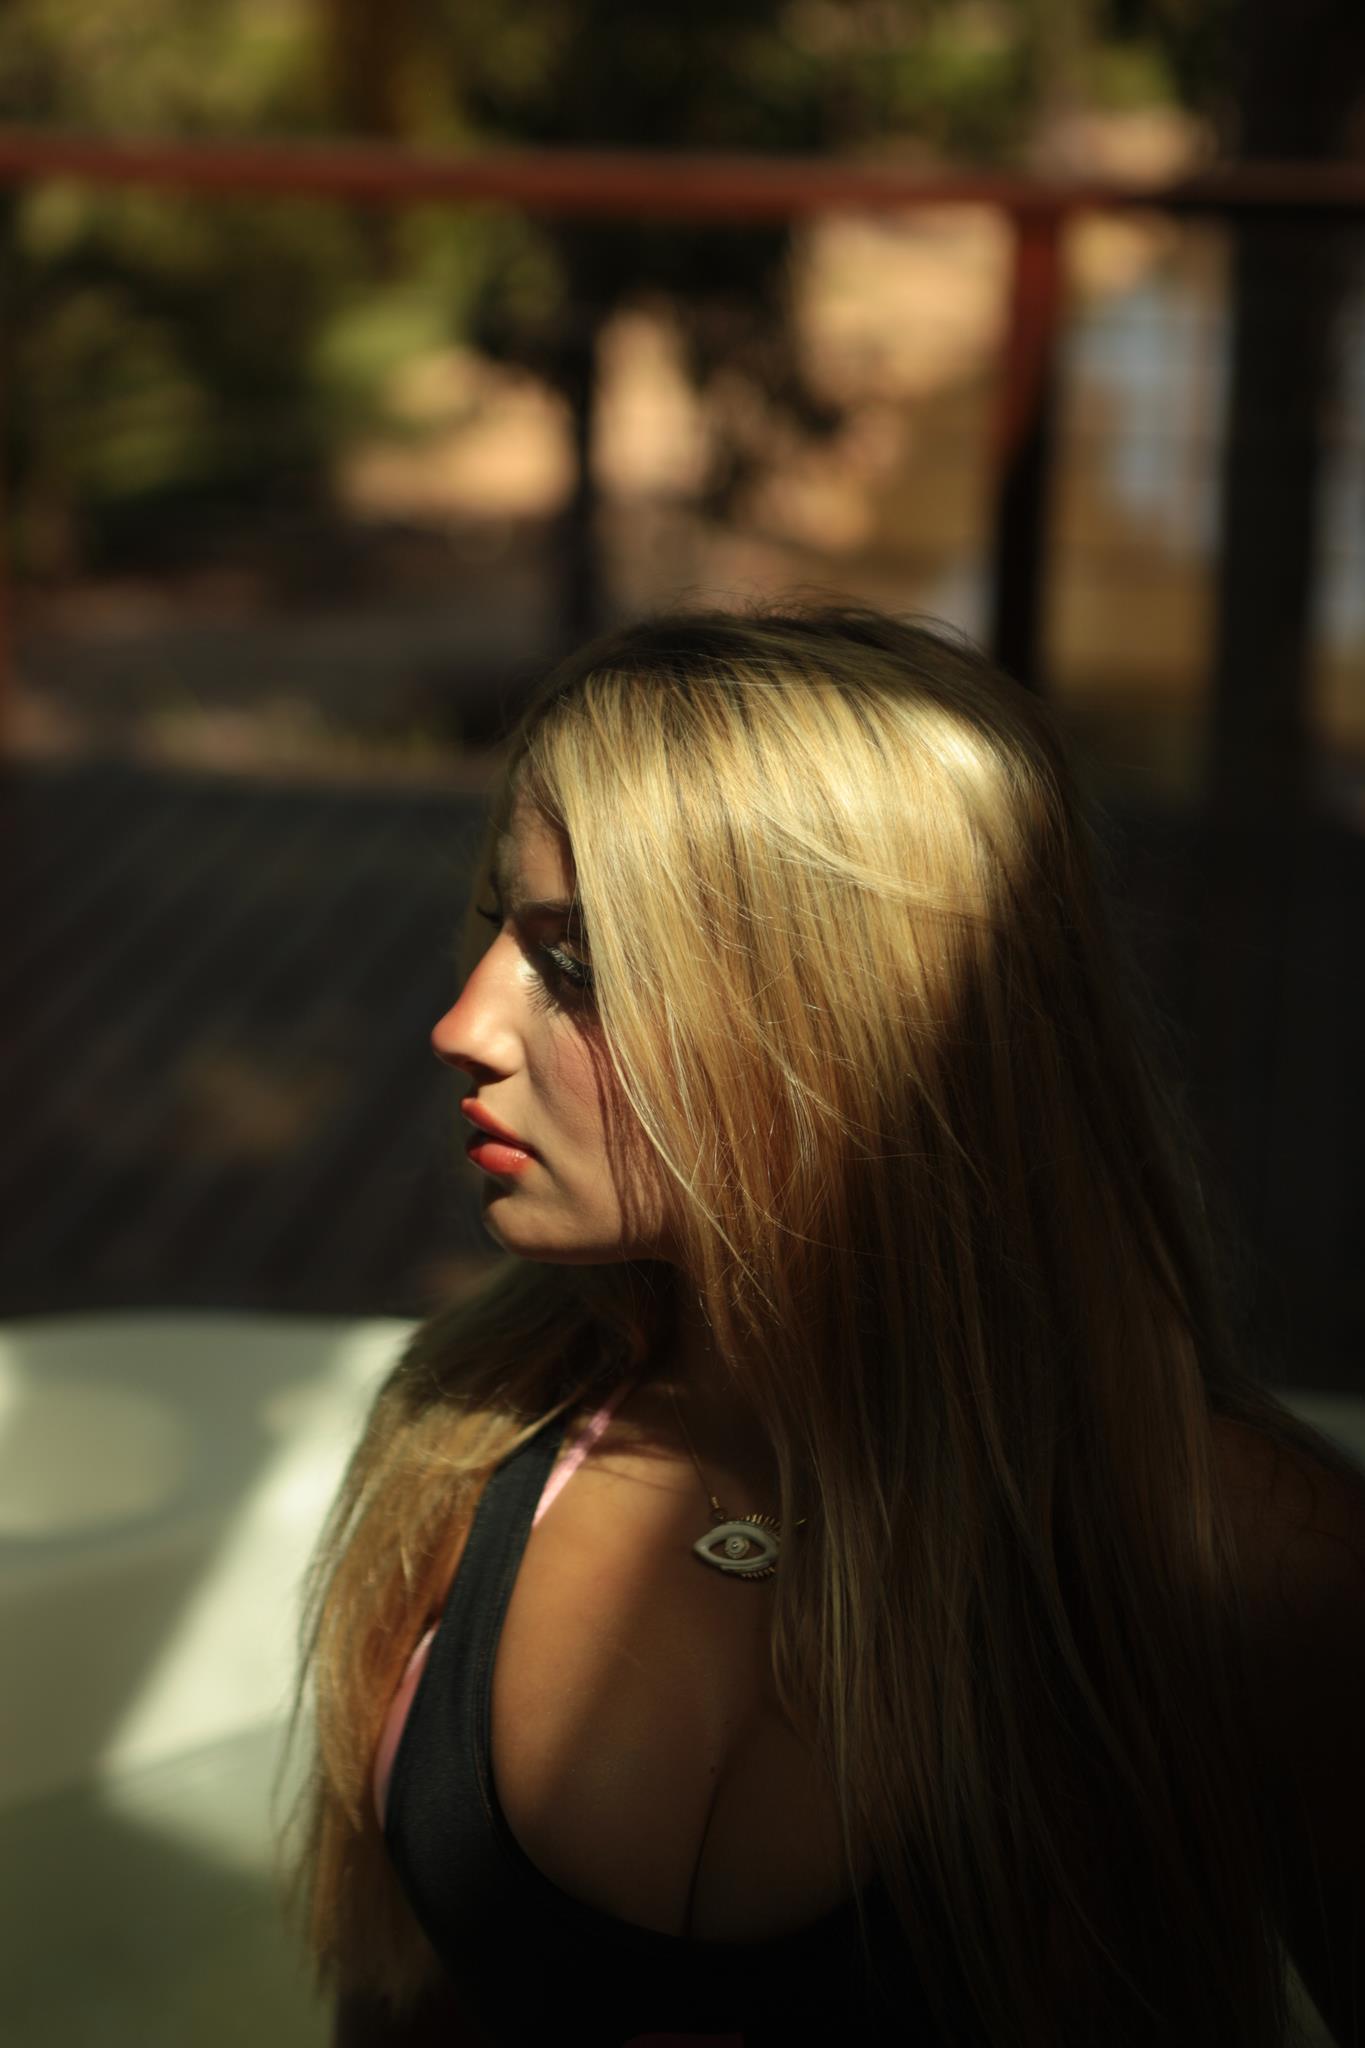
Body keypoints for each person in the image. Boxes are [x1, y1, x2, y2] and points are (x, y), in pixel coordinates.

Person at [276, 598, 1365, 2047]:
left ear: (833, 1017)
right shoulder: (468, 1432)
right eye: (502, 933)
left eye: (576, 962)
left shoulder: (1230, 1556)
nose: (465, 1024)